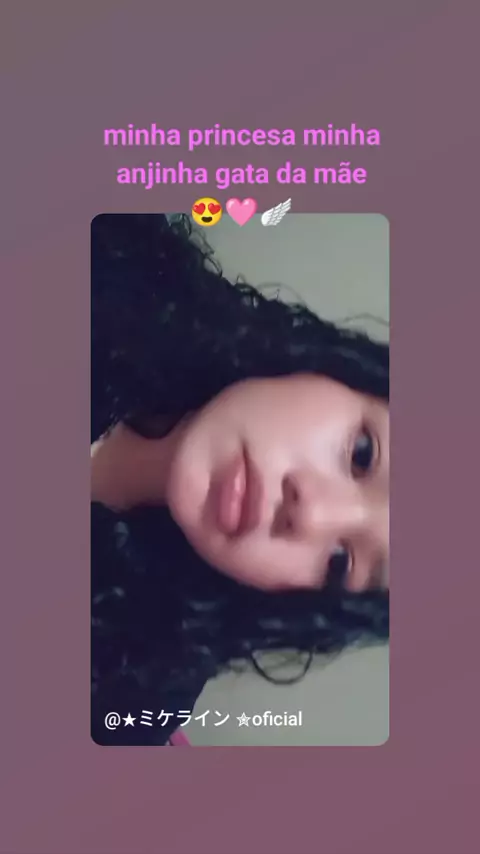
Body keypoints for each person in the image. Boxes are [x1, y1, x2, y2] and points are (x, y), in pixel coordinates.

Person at [91, 213, 389, 745]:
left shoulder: (130, 693)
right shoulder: (105, 253)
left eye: (340, 563)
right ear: (339, 372)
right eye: (361, 454)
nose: (310, 513)